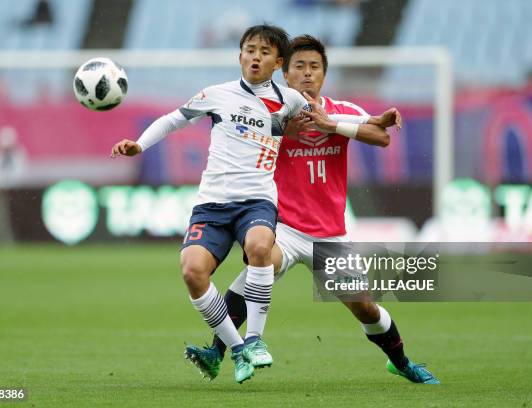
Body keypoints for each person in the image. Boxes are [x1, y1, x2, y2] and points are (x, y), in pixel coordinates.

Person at [111, 26, 366, 384]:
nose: (255, 56)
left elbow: (326, 121)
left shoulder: (290, 100)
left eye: (264, 52)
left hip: (257, 200)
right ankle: (235, 348)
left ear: (278, 62)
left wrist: (370, 124)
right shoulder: (216, 95)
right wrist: (139, 144)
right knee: (192, 272)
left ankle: (255, 339)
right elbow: (173, 119)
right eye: (249, 50)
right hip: (212, 204)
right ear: (240, 56)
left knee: (260, 247)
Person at [185, 35, 440, 385]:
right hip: (285, 227)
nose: (307, 73)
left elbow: (381, 137)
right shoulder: (267, 112)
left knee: (364, 306)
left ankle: (401, 361)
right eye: (299, 67)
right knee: (257, 269)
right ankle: (218, 350)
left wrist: (330, 125)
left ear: (324, 74)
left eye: (314, 67)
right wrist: (287, 128)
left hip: (331, 234)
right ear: (285, 75)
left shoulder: (342, 111)